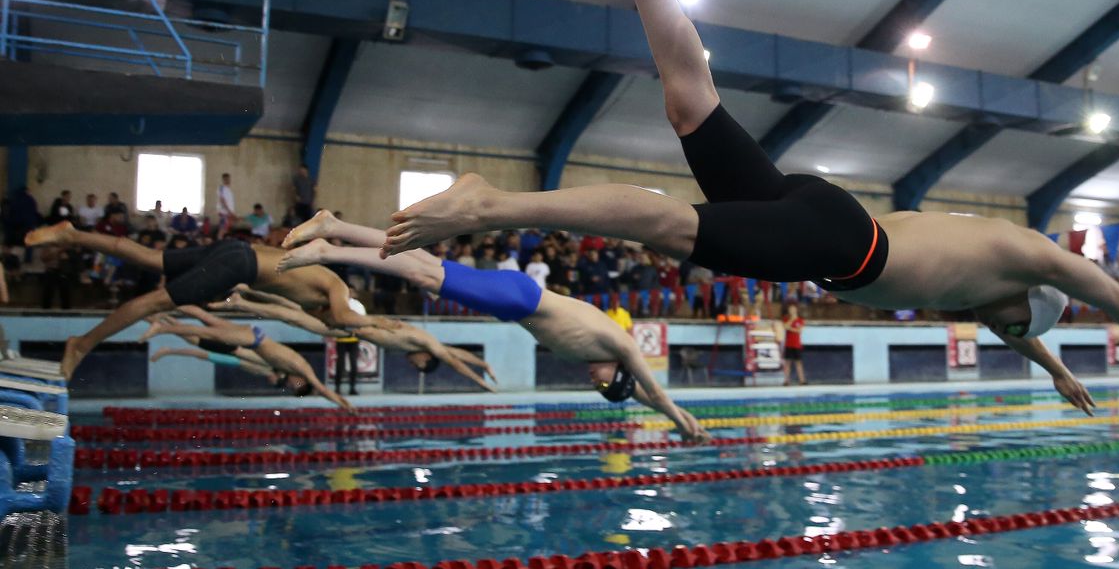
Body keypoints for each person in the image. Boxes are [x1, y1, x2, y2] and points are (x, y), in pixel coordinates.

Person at [379, 0, 1119, 414]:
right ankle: (490, 206)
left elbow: (1019, 328)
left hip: (824, 211)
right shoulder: (1025, 257)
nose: (998, 329)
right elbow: (1117, 296)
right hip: (840, 248)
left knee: (692, 107)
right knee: (672, 228)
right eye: (1012, 325)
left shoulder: (998, 291)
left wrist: (1054, 370)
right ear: (1027, 301)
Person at [281, 211, 707, 441]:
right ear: (620, 372)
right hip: (521, 298)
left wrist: (679, 415)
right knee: (422, 273)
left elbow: (639, 397)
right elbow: (654, 391)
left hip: (514, 302)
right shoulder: (620, 345)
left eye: (599, 387)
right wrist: (679, 420)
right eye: (604, 382)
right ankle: (326, 251)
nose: (595, 380)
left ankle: (334, 227)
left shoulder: (599, 357)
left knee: (423, 262)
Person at [24, 220, 389, 378]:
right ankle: (81, 345)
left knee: (152, 258)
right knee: (154, 302)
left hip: (236, 252)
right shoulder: (339, 289)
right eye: (329, 322)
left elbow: (282, 296)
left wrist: (243, 299)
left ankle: (72, 235)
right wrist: (377, 326)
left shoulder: (320, 284)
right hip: (238, 264)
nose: (325, 323)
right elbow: (345, 317)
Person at [211, 290, 498, 393]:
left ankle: (245, 298)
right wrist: (480, 381)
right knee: (295, 315)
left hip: (350, 326)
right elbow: (454, 361)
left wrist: (483, 364)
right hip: (353, 320)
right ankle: (243, 301)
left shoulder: (425, 344)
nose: (413, 365)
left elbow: (456, 353)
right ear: (425, 360)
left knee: (297, 313)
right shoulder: (427, 344)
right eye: (418, 367)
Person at [143, 307, 353, 412]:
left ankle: (161, 312)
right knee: (204, 330)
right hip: (251, 340)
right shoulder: (301, 367)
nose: (291, 384)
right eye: (296, 385)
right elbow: (323, 390)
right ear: (302, 380)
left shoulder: (282, 370)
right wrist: (345, 405)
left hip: (252, 338)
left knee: (207, 321)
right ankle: (162, 326)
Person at [782, 302, 806, 386]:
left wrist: (790, 328)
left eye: (793, 309)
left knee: (798, 362)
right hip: (788, 344)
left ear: (796, 310)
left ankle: (802, 380)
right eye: (790, 309)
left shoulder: (800, 320)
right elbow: (785, 327)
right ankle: (786, 380)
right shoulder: (786, 319)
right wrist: (792, 320)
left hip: (796, 345)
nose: (792, 311)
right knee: (787, 363)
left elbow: (799, 331)